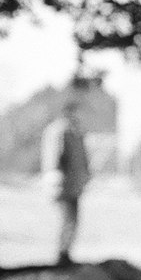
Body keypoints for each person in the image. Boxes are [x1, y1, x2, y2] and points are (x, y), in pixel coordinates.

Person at [41, 93, 92, 266]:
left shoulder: (76, 131)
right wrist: (54, 176)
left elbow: (82, 159)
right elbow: (55, 158)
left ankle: (66, 253)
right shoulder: (59, 130)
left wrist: (86, 176)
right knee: (67, 219)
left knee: (73, 220)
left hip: (74, 184)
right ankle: (62, 255)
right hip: (62, 185)